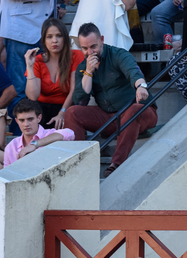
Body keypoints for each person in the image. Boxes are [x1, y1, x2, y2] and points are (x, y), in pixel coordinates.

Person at [66, 23, 155, 179]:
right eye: (85, 48)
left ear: (101, 39)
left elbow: (133, 71)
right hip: (110, 118)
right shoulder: (83, 67)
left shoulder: (118, 54)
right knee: (72, 113)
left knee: (134, 110)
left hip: (138, 112)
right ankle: (78, 164)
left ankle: (116, 165)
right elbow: (80, 101)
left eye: (93, 46)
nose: (90, 52)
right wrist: (88, 73)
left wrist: (141, 86)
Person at [0, 0, 54, 121]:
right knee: (20, 90)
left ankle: (41, 132)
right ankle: (19, 134)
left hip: (46, 24)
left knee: (47, 88)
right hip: (21, 28)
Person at [25, 17, 83, 128]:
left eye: (59, 36)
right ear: (44, 40)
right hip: (42, 110)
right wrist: (30, 67)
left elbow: (74, 90)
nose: (54, 41)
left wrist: (62, 113)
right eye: (49, 37)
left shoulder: (76, 56)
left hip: (67, 107)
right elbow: (33, 96)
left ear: (65, 38)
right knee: (33, 111)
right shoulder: (37, 60)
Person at [3, 98, 74, 166]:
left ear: (39, 118)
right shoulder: (11, 146)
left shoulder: (49, 134)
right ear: (16, 121)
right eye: (22, 120)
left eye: (30, 119)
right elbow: (6, 174)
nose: (26, 124)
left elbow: (70, 133)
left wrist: (35, 145)